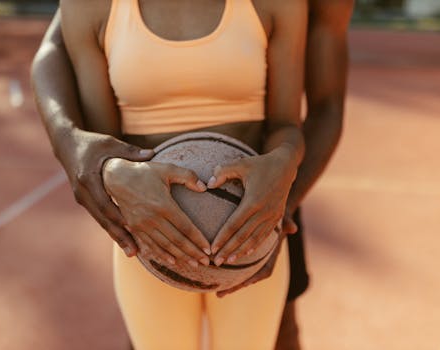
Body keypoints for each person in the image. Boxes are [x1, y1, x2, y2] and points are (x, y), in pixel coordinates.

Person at [31, 0, 354, 349]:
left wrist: (285, 178)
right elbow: (61, 62)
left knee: (280, 335)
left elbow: (312, 113)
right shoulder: (92, 9)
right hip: (151, 227)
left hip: (255, 205)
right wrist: (99, 163)